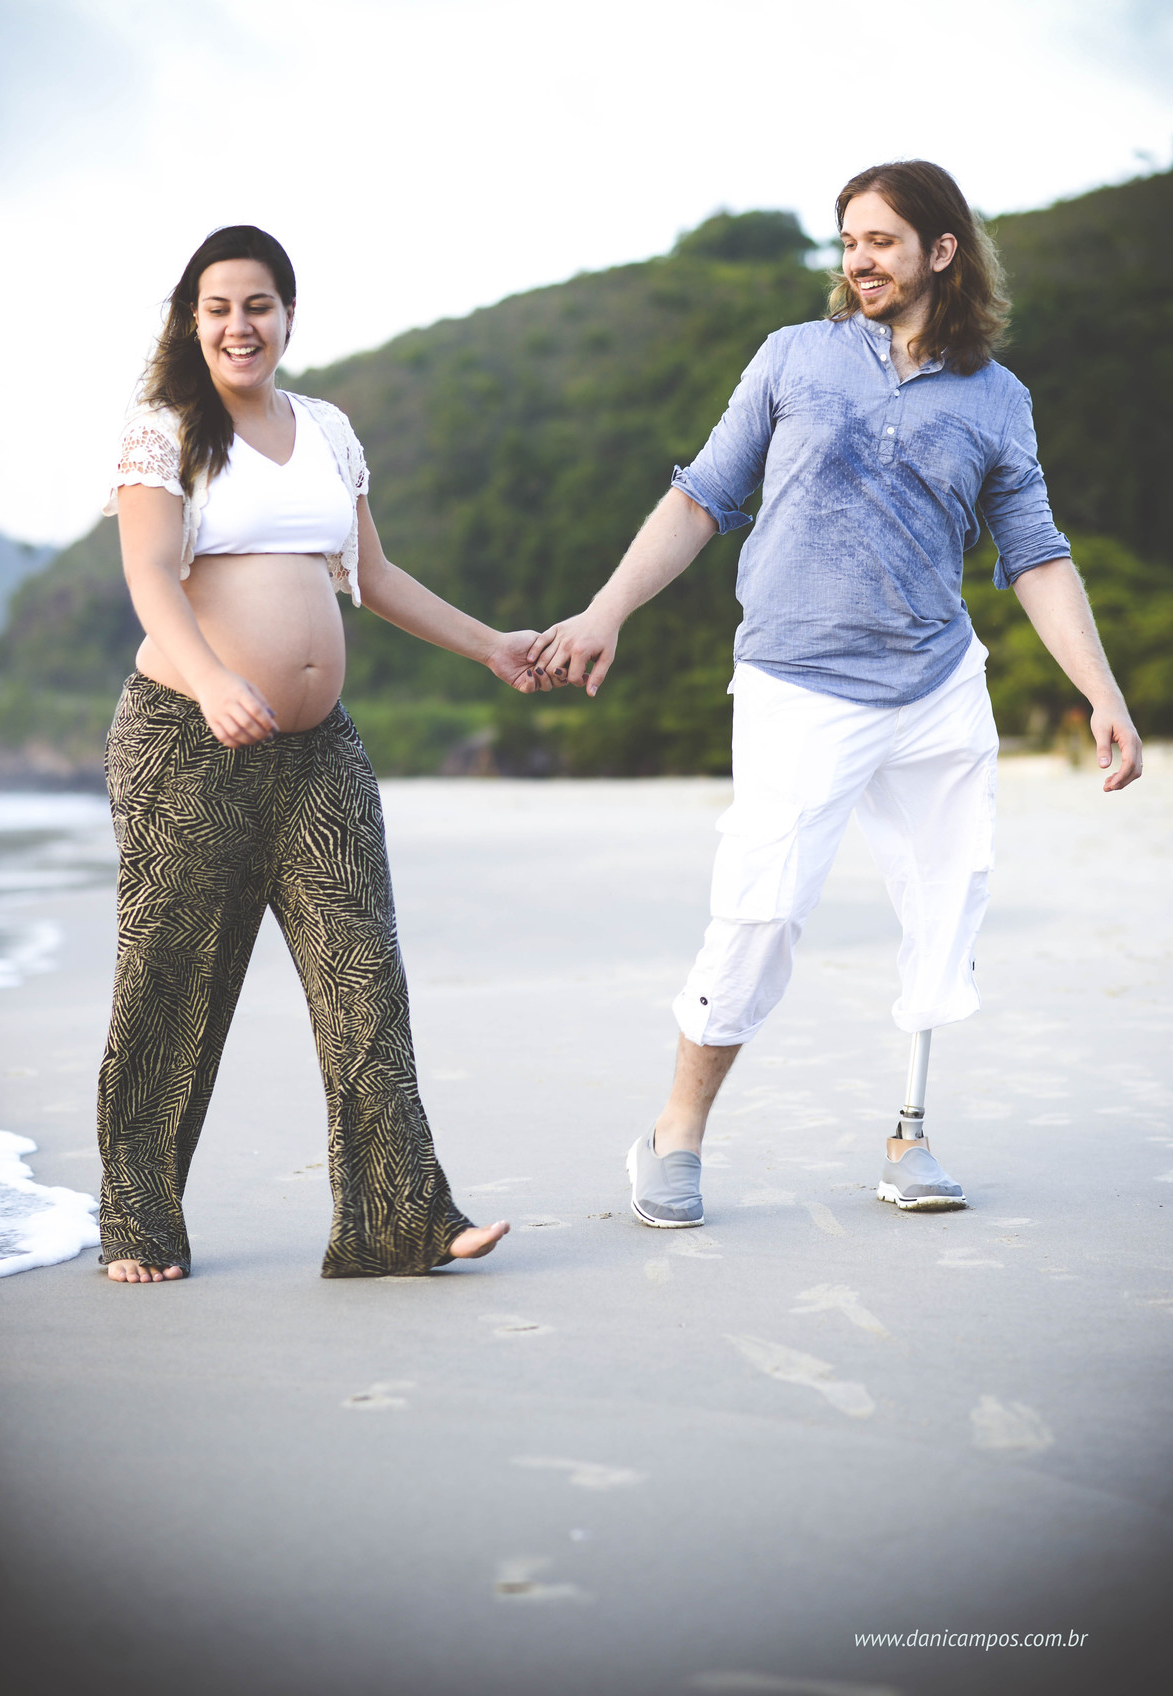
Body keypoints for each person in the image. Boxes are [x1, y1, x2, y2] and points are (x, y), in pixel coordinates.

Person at [530, 160, 1142, 1228]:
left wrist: (1101, 691)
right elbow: (701, 498)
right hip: (797, 680)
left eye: (882, 240)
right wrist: (604, 610)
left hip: (934, 683)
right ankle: (676, 1134)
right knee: (761, 909)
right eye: (848, 240)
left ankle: (910, 1132)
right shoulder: (793, 360)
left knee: (947, 901)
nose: (859, 259)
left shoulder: (996, 400)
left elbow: (1036, 555)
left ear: (941, 251)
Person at [99, 223, 548, 1282]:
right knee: (172, 985)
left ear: (288, 317)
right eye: (217, 308)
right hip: (183, 740)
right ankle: (138, 1224)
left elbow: (375, 579)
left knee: (364, 975)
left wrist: (493, 646)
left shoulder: (327, 431)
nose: (238, 325)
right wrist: (213, 681)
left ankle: (401, 1222)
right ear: (191, 320)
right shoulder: (164, 429)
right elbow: (154, 577)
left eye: (257, 305)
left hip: (316, 756)